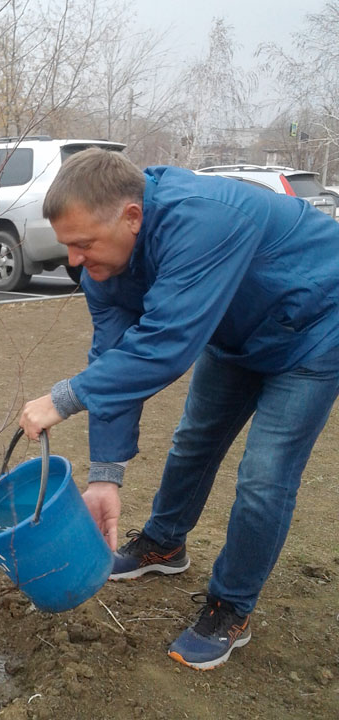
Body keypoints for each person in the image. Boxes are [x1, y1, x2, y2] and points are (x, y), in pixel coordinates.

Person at [19, 148, 339, 670]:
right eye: (67, 246)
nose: (73, 262)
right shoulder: (103, 270)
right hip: (234, 332)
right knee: (194, 441)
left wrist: (65, 399)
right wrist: (105, 474)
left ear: (132, 217)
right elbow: (115, 357)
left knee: (264, 476)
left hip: (313, 327)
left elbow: (167, 342)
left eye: (83, 244)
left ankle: (231, 605)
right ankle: (165, 544)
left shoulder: (204, 217)